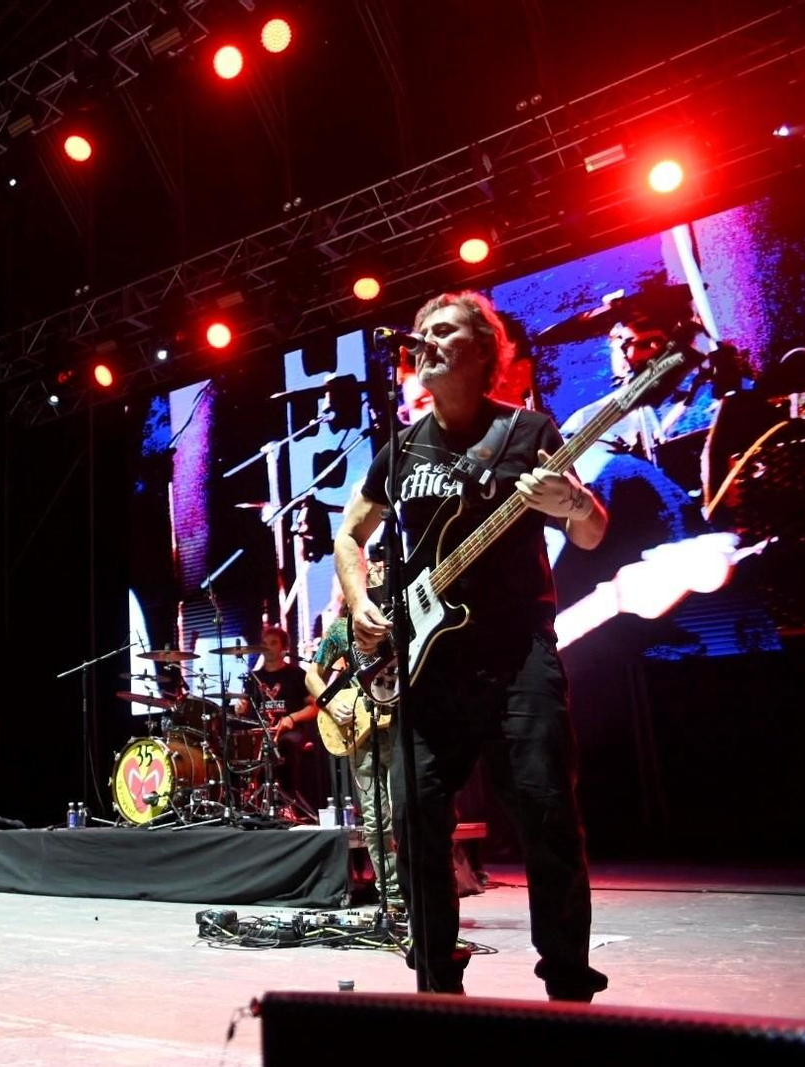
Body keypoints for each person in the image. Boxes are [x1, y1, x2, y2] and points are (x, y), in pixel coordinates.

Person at [333, 290, 610, 1001]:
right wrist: (363, 599)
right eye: (422, 332)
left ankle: (569, 982)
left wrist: (574, 505)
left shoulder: (527, 432)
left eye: (446, 330)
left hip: (519, 657)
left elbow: (591, 530)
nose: (426, 339)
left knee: (548, 811)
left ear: (484, 351)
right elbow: (351, 534)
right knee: (416, 817)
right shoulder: (401, 449)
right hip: (432, 670)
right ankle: (436, 978)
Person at [309, 559, 399, 907]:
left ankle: (420, 890)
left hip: (402, 723)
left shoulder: (399, 621)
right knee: (377, 818)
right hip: (364, 730)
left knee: (407, 810)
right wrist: (331, 705)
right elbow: (312, 676)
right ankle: (392, 897)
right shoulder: (340, 630)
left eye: (378, 573)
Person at [241, 624, 324, 816]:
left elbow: (316, 706)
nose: (267, 647)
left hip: (290, 732)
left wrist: (292, 718)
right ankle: (256, 805)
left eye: (273, 643)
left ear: (284, 647)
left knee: (284, 744)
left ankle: (287, 804)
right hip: (263, 732)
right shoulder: (255, 678)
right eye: (264, 643)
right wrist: (241, 708)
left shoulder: (296, 675)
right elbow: (245, 709)